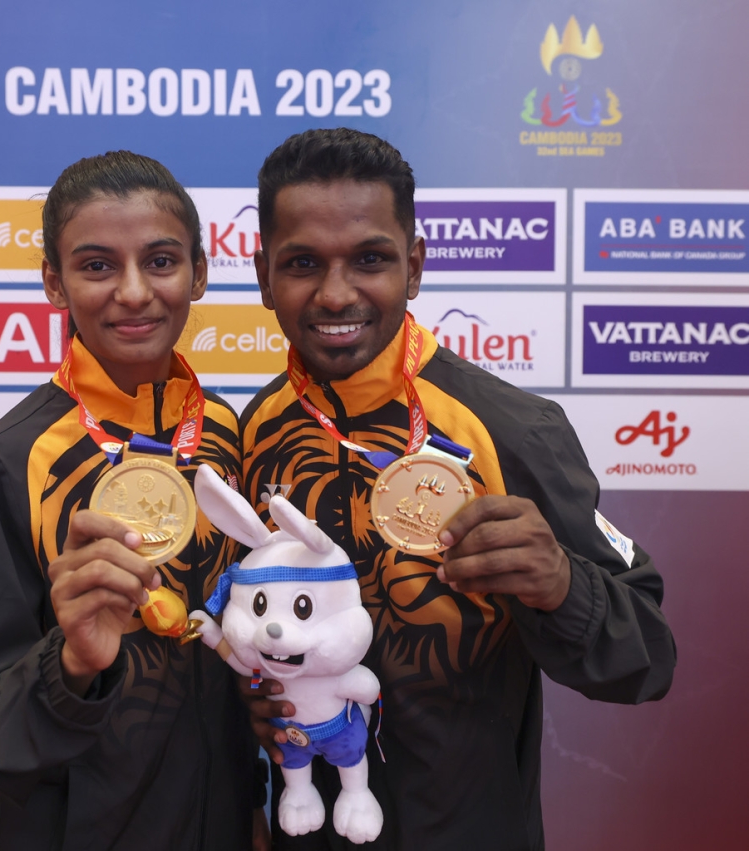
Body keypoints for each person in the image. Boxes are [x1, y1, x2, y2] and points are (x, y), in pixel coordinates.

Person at [238, 128, 676, 850]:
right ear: (263, 277)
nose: (336, 291)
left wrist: (563, 585)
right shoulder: (253, 434)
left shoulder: (512, 428)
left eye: (370, 259)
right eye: (303, 263)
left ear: (414, 265)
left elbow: (647, 658)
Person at [0, 151, 264, 850]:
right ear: (53, 283)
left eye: (161, 260)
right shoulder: (7, 464)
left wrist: (248, 806)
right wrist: (74, 664)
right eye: (97, 266)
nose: (135, 291)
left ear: (200, 273)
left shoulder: (229, 437)